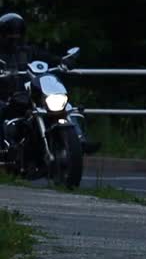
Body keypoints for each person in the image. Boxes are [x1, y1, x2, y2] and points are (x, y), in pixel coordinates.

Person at [0, 12, 98, 154]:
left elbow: (48, 58)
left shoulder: (29, 51)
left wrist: (64, 61)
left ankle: (79, 140)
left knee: (65, 106)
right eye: (10, 32)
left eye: (17, 32)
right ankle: (4, 150)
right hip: (6, 97)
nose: (14, 36)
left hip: (31, 95)